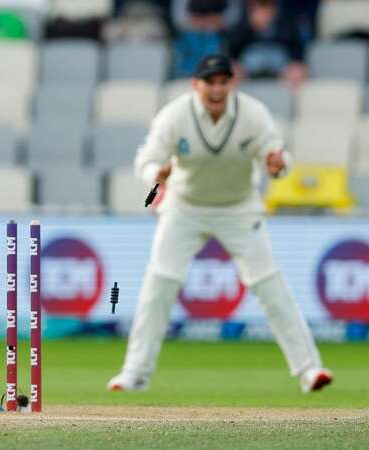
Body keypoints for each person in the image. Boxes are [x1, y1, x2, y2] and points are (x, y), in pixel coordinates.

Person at [107, 54, 333, 394]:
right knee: (159, 284)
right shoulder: (175, 115)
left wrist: (279, 165)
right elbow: (146, 159)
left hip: (239, 208)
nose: (217, 89)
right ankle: (135, 373)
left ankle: (309, 370)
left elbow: (278, 157)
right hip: (185, 206)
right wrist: (157, 174)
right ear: (195, 84)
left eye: (223, 82)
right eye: (210, 82)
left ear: (232, 83)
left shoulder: (252, 113)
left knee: (269, 284)